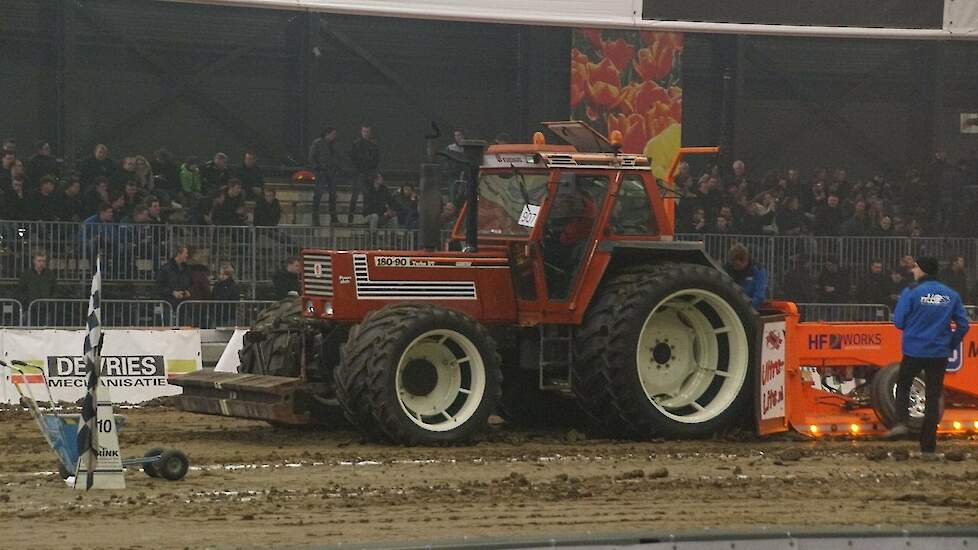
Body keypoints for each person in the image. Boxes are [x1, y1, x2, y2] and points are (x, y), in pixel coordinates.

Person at [885, 256, 970, 459]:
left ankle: (901, 423)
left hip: (914, 349)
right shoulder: (951, 294)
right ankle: (928, 448)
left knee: (904, 384)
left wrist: (913, 328)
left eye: (915, 267)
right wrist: (949, 342)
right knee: (933, 396)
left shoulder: (912, 291)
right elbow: (964, 325)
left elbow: (898, 321)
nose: (913, 270)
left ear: (922, 270)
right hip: (939, 352)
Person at [308, 127, 341, 225]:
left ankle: (334, 218)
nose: (334, 136)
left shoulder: (334, 145)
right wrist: (318, 167)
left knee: (333, 196)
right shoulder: (317, 143)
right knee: (318, 195)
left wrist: (337, 167)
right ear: (327, 134)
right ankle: (315, 219)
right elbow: (311, 157)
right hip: (321, 173)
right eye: (333, 134)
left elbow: (337, 157)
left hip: (331, 173)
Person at [349, 124, 380, 224]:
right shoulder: (357, 144)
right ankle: (351, 219)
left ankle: (366, 218)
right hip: (359, 173)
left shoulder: (372, 145)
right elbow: (353, 158)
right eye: (364, 131)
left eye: (367, 132)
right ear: (361, 132)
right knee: (355, 196)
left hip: (368, 173)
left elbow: (376, 159)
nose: (366, 134)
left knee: (367, 197)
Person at [19, 251, 57, 325]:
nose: (41, 263)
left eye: (43, 261)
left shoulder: (50, 275)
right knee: (30, 329)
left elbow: (55, 289)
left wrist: (50, 301)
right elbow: (21, 289)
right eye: (39, 261)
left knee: (45, 330)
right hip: (30, 307)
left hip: (46, 308)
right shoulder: (27, 274)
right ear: (34, 262)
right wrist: (26, 301)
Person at [724, 243, 767, 310]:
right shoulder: (726, 270)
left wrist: (745, 308)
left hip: (751, 308)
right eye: (733, 264)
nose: (736, 267)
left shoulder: (758, 269)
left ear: (745, 259)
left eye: (738, 265)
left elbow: (759, 295)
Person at [157, 245, 192, 310]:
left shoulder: (187, 269)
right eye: (186, 253)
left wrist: (188, 291)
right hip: (168, 304)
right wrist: (172, 292)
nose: (187, 255)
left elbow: (190, 283)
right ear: (179, 254)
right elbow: (159, 286)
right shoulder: (165, 269)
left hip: (184, 304)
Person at [212, 263, 241, 327]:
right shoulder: (218, 285)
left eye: (223, 274)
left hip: (227, 314)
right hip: (219, 314)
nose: (221, 276)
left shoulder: (232, 286)